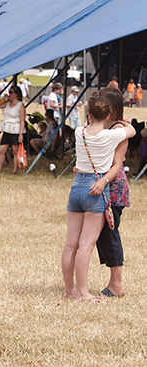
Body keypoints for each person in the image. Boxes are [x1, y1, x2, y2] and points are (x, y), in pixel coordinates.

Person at [61, 96, 135, 302]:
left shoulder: (79, 132)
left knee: (70, 245)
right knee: (86, 245)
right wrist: (125, 122)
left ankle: (69, 290)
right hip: (96, 186)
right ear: (109, 116)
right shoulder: (111, 136)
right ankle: (83, 292)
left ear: (89, 115)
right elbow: (132, 131)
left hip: (77, 186)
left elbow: (87, 127)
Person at [95, 88, 131, 297]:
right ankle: (113, 282)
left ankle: (116, 284)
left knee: (110, 233)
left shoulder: (118, 129)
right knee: (105, 234)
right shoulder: (114, 127)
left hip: (112, 188)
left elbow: (112, 162)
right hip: (107, 186)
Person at [0, 85, 25, 174]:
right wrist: (4, 99)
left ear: (16, 94)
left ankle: (15, 170)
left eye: (11, 92)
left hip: (15, 129)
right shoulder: (7, 104)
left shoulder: (20, 105)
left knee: (15, 151)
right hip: (7, 129)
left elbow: (22, 121)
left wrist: (21, 134)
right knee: (2, 150)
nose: (9, 94)